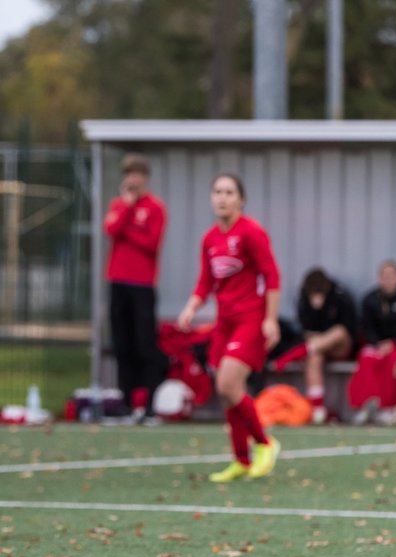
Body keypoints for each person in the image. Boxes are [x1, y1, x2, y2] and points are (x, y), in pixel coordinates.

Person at [177, 173, 281, 483]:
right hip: (224, 323)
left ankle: (265, 443)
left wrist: (270, 319)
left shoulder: (250, 232)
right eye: (218, 192)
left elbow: (272, 277)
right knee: (227, 394)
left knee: (227, 384)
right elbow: (206, 281)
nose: (223, 197)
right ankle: (241, 460)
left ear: (241, 199)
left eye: (229, 192)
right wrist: (191, 307)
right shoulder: (210, 238)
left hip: (250, 320)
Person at [104, 152, 168, 423]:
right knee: (122, 345)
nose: (133, 179)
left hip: (143, 285)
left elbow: (151, 244)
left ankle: (150, 406)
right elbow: (111, 230)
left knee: (145, 345)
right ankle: (126, 405)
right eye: (129, 174)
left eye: (138, 174)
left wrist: (129, 230)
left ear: (145, 178)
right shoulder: (119, 205)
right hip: (118, 282)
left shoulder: (155, 207)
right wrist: (128, 211)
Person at [274, 268, 357, 424]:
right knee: (313, 357)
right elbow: (305, 330)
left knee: (338, 332)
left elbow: (349, 329)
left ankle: (297, 353)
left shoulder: (340, 297)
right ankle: (317, 410)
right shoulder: (303, 300)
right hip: (317, 348)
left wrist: (322, 337)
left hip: (340, 347)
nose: (316, 300)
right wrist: (315, 337)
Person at [349, 260, 396, 425]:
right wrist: (378, 343)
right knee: (367, 358)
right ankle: (367, 404)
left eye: (391, 276)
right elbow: (365, 327)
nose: (388, 280)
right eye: (384, 276)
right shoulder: (370, 300)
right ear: (379, 278)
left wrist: (394, 343)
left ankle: (393, 408)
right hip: (377, 345)